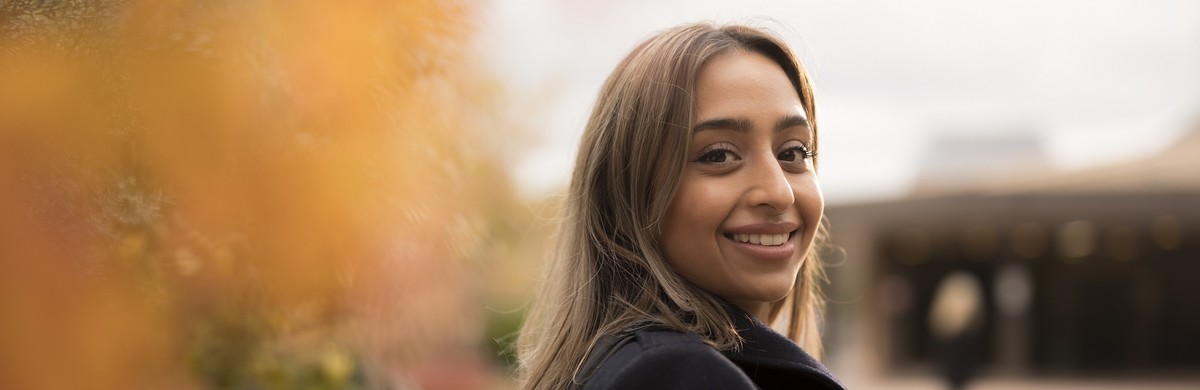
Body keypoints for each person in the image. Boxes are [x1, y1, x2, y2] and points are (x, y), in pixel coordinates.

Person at [517, 22, 844, 390]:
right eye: (719, 155)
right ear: (628, 195)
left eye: (794, 152)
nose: (779, 193)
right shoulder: (676, 375)